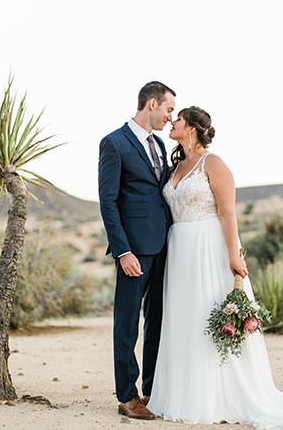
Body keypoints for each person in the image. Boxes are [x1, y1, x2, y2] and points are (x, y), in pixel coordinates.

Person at [147, 106, 283, 428]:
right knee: (184, 317)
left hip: (209, 247)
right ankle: (182, 392)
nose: (172, 121)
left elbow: (228, 214)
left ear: (194, 128)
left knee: (207, 312)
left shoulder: (213, 164)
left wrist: (233, 255)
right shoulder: (175, 166)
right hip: (180, 249)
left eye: (179, 119)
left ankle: (216, 396)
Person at [98, 81, 175, 420]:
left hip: (163, 247)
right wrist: (122, 251)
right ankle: (127, 396)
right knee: (127, 324)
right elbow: (108, 202)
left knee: (156, 321)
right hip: (133, 251)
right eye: (169, 109)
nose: (170, 117)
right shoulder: (114, 143)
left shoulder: (158, 143)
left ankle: (152, 389)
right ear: (153, 104)